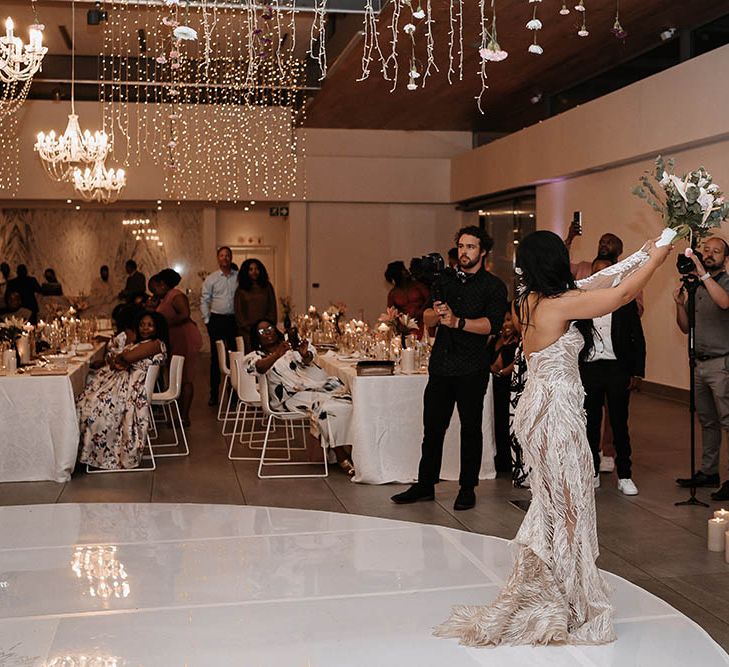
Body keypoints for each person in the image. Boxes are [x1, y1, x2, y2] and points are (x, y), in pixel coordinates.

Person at [434, 230, 671, 647]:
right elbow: (617, 296)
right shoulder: (559, 305)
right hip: (555, 412)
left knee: (556, 502)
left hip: (537, 407)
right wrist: (656, 261)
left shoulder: (528, 300)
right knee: (569, 504)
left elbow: (601, 279)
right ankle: (562, 596)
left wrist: (643, 252)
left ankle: (558, 586)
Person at [391, 226, 508, 511]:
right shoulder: (444, 280)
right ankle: (424, 485)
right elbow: (428, 317)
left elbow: (491, 326)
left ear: (483, 251)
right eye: (461, 246)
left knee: (470, 429)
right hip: (441, 365)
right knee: (432, 428)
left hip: (472, 367)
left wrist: (458, 322)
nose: (464, 252)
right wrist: (438, 315)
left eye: (470, 247)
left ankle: (467, 488)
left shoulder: (493, 286)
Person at [244, 318, 355, 475]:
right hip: (287, 400)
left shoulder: (291, 349)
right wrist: (276, 354)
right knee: (323, 407)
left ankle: (351, 447)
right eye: (262, 331)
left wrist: (305, 354)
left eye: (269, 328)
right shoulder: (257, 355)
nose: (268, 333)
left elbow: (308, 359)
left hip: (314, 388)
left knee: (348, 400)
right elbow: (258, 368)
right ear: (257, 337)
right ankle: (340, 455)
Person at [580, 257, 646, 496]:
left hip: (617, 368)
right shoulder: (582, 303)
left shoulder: (624, 304)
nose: (602, 276)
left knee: (619, 423)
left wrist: (637, 371)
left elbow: (637, 338)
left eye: (607, 272)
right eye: (598, 272)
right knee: (590, 423)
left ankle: (625, 474)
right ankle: (592, 472)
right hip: (590, 369)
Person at [674, 237, 729, 501]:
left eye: (716, 252)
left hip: (722, 364)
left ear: (725, 259)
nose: (709, 254)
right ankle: (709, 472)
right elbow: (686, 327)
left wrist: (704, 275)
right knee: (707, 421)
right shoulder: (697, 287)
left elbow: (724, 303)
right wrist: (678, 304)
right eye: (706, 250)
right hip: (699, 363)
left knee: (728, 422)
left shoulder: (724, 284)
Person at [78, 311, 168, 470]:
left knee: (92, 403)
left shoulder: (155, 344)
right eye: (142, 325)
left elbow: (124, 359)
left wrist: (120, 358)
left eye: (150, 325)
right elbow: (120, 359)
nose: (145, 328)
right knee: (87, 397)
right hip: (126, 382)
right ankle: (85, 450)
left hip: (134, 389)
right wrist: (119, 359)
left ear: (158, 328)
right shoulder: (143, 343)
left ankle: (95, 452)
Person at [153, 268, 203, 426]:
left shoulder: (176, 295)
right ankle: (179, 415)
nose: (154, 290)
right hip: (175, 338)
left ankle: (184, 417)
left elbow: (185, 314)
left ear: (162, 284)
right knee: (178, 377)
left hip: (185, 337)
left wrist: (165, 324)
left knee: (186, 377)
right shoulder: (166, 297)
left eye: (155, 286)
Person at [200, 246, 238, 406]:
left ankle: (234, 392)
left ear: (231, 257)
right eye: (222, 255)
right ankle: (214, 394)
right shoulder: (212, 278)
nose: (225, 258)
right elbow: (204, 300)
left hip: (234, 321)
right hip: (216, 321)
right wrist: (207, 320)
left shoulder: (238, 277)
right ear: (218, 258)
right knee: (216, 358)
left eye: (227, 255)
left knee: (235, 357)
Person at [489, 304, 519, 474]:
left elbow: (508, 367)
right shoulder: (494, 340)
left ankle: (508, 461)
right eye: (502, 321)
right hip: (493, 388)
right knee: (496, 423)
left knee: (506, 422)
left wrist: (501, 371)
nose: (505, 324)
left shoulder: (517, 343)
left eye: (508, 320)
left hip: (508, 388)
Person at [234, 258, 277, 352]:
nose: (254, 272)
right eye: (251, 269)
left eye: (257, 269)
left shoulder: (267, 286)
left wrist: (265, 327)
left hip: (265, 330)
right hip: (247, 333)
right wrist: (251, 329)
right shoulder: (241, 289)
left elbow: (272, 308)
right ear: (246, 272)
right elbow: (239, 313)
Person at [384, 261, 430, 336]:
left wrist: (420, 312)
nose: (407, 271)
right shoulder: (393, 294)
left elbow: (429, 299)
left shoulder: (418, 285)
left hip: (423, 322)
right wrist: (400, 326)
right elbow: (391, 313)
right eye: (403, 270)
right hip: (406, 327)